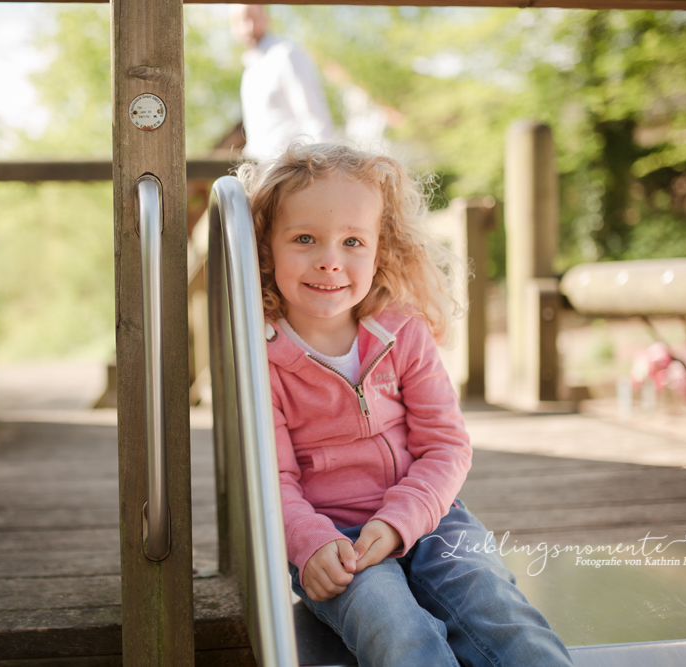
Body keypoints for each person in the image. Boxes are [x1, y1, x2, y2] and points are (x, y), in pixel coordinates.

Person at [238, 143, 574, 666]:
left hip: (434, 519)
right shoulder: (262, 357)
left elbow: (446, 445)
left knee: (503, 614)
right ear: (265, 249)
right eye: (304, 238)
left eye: (353, 241)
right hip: (334, 539)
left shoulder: (402, 334)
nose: (330, 259)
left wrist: (401, 520)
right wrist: (309, 545)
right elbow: (271, 479)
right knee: (399, 630)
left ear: (380, 249)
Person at [229, 5, 334, 161]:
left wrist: (325, 168)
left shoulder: (287, 55)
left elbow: (315, 119)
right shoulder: (249, 70)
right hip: (262, 172)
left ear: (266, 17)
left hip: (293, 171)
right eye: (240, 21)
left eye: (253, 18)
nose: (248, 27)